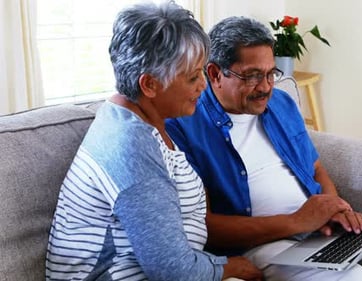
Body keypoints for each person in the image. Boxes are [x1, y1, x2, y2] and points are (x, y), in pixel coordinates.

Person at [165, 16, 362, 281]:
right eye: (253, 76)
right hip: (263, 246)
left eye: (271, 73)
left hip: (318, 232)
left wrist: (336, 209)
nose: (266, 86)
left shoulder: (281, 104)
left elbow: (315, 169)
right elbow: (204, 226)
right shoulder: (185, 124)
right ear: (214, 74)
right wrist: (298, 221)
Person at [45, 3, 262, 281]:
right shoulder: (130, 146)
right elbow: (172, 270)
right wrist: (230, 267)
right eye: (192, 77)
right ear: (149, 85)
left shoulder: (140, 120)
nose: (203, 86)